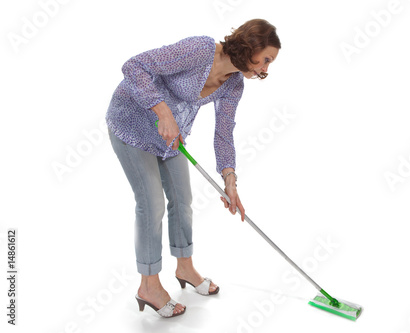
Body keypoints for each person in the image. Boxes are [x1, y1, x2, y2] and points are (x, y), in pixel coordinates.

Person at [106, 18, 280, 318]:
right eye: (265, 59)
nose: (265, 68)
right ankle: (149, 285)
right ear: (250, 45)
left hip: (171, 138)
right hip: (131, 122)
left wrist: (230, 180)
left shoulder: (234, 85)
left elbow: (224, 133)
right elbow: (134, 66)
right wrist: (162, 111)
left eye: (270, 63)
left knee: (182, 201)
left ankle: (185, 267)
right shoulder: (200, 50)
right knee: (151, 204)